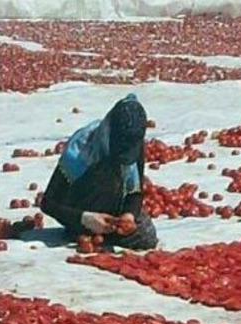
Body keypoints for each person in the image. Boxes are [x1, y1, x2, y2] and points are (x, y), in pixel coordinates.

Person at [41, 94, 158, 249]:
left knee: (146, 236)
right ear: (109, 133)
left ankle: (105, 234)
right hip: (79, 212)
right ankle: (86, 232)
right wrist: (86, 218)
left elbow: (136, 192)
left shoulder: (134, 146)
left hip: (115, 219)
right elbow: (48, 204)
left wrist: (129, 215)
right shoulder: (81, 149)